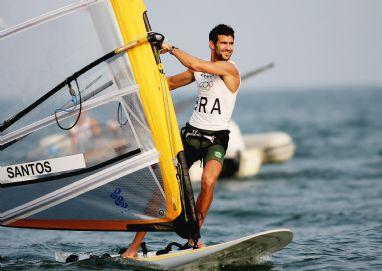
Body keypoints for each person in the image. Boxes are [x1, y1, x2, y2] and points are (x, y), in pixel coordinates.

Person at [121, 24, 240, 259]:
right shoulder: (200, 72)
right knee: (165, 188)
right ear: (212, 44)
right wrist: (134, 85)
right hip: (192, 135)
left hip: (217, 139)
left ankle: (194, 239)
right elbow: (168, 84)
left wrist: (172, 49)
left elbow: (196, 64)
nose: (228, 48)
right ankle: (132, 249)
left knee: (208, 182)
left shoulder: (230, 69)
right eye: (224, 43)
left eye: (231, 44)